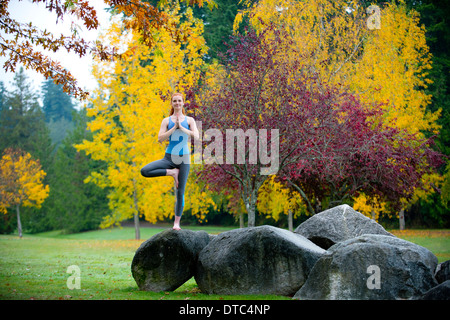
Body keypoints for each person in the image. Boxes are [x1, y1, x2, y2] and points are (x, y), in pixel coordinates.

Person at [140, 93, 199, 230]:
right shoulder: (166, 121)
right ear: (172, 103)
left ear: (183, 102)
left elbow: (196, 136)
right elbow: (160, 139)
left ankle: (176, 223)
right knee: (145, 171)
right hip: (169, 158)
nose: (177, 103)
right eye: (174, 101)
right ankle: (172, 172)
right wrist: (174, 128)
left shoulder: (190, 120)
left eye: (179, 100)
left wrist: (182, 128)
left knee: (180, 192)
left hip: (184, 159)